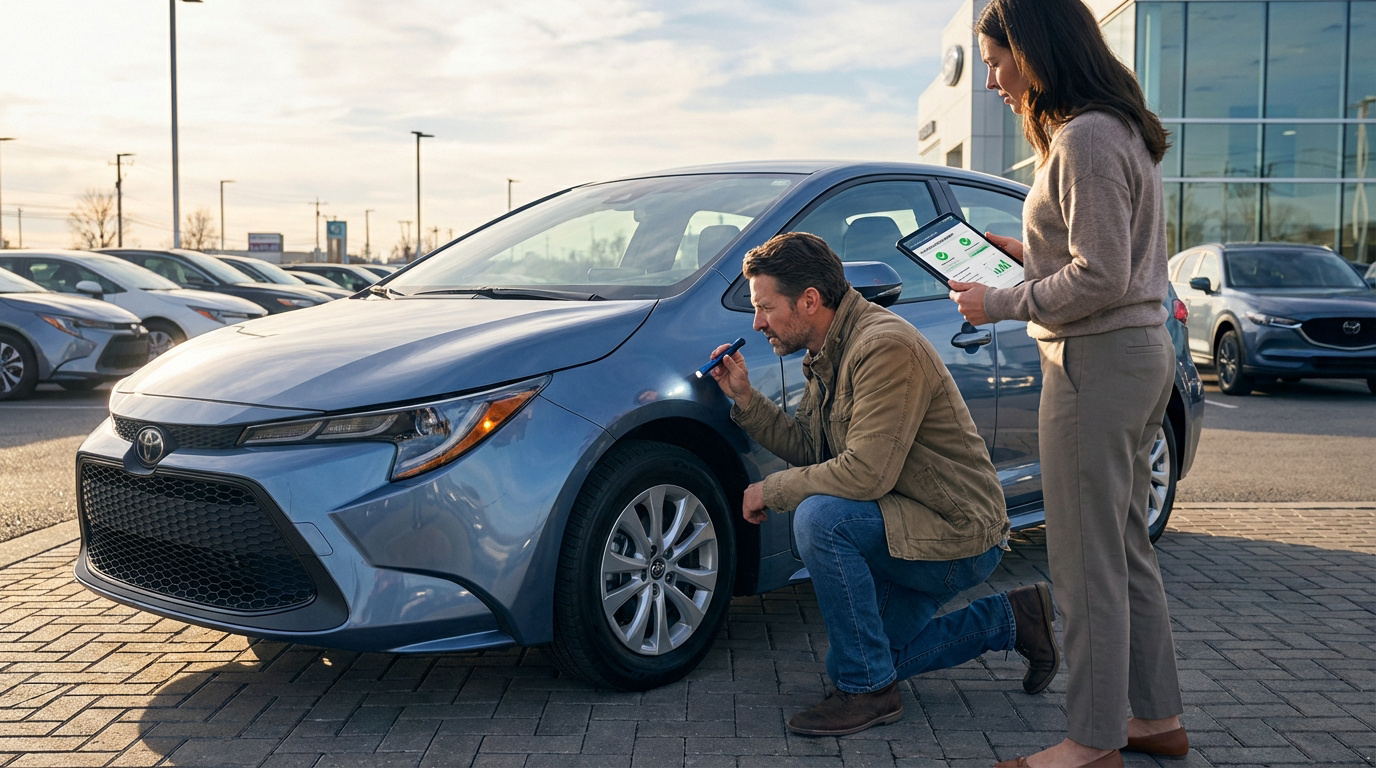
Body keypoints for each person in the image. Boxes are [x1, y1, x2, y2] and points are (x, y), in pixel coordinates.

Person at [948, 0, 1188, 765]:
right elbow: (1098, 260)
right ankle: (1154, 719)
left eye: (996, 60)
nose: (990, 80)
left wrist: (1000, 301)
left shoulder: (1083, 136)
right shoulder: (1112, 129)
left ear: (1036, 48)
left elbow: (1103, 274)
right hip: (1135, 356)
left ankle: (1092, 741)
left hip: (1095, 363)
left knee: (1083, 565)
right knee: (1123, 549)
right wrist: (1026, 255)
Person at [709, 231, 1060, 737]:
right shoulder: (829, 347)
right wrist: (745, 399)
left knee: (820, 519)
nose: (757, 322)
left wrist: (774, 488)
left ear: (809, 301)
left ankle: (869, 694)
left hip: (956, 534)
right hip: (903, 519)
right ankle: (1013, 618)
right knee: (870, 655)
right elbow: (816, 449)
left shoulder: (883, 346)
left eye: (764, 307)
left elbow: (864, 473)